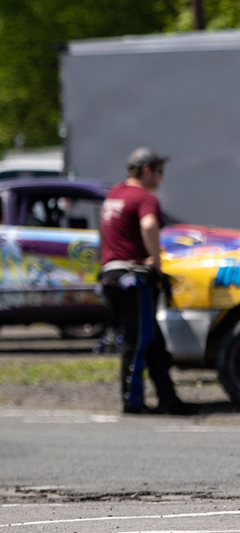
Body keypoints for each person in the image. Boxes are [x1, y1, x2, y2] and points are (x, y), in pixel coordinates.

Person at [99, 147, 193, 415]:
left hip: (111, 276)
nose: (162, 177)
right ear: (146, 170)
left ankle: (168, 398)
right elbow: (150, 226)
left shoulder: (115, 194)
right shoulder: (144, 198)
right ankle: (132, 401)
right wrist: (156, 261)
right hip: (134, 278)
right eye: (160, 171)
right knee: (138, 341)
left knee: (154, 343)